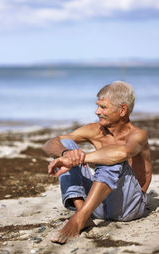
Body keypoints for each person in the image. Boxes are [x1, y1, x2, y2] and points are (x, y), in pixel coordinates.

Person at [43, 81, 152, 244]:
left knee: (112, 155)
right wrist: (66, 154)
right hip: (96, 207)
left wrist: (80, 158)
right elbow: (50, 142)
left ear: (122, 110)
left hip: (128, 207)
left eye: (103, 107)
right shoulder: (95, 130)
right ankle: (83, 214)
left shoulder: (138, 135)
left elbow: (123, 153)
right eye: (97, 106)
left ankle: (79, 219)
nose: (97, 111)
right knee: (67, 145)